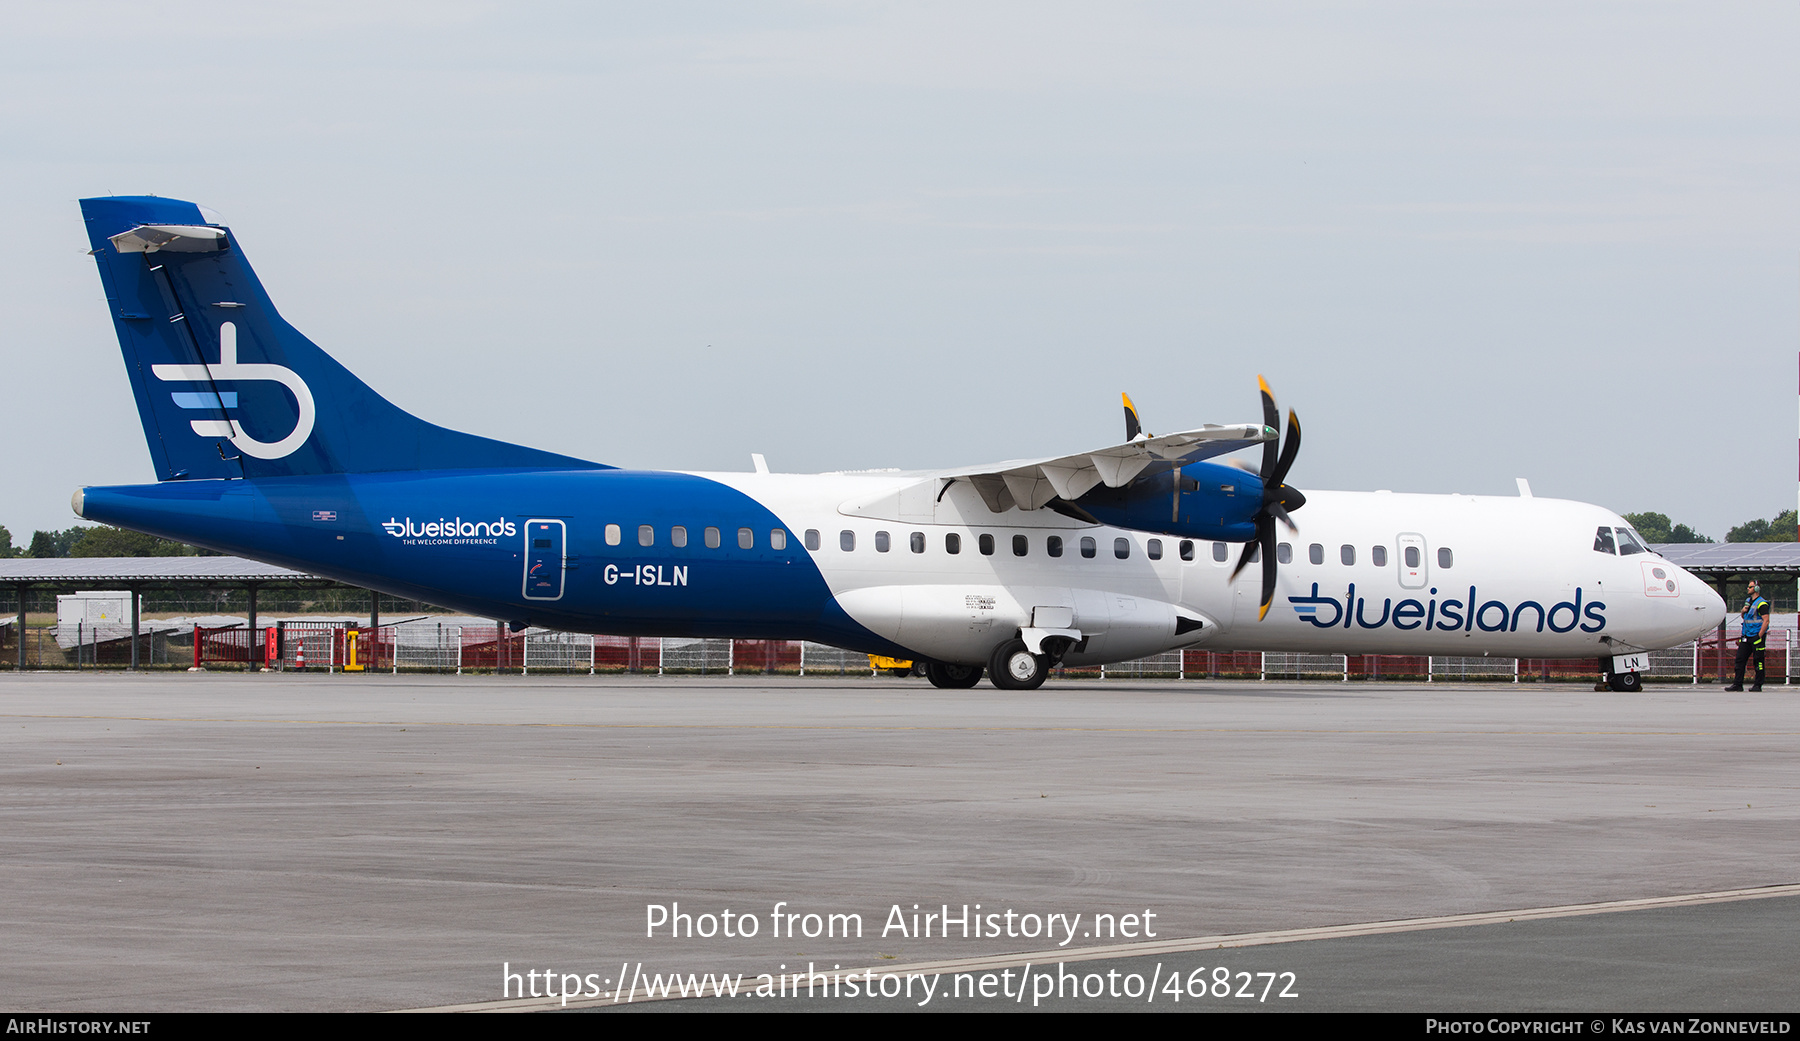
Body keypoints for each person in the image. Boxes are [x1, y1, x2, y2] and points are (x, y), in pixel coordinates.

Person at [1725, 579, 1771, 691]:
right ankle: (1738, 684)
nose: (1748, 589)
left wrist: (1759, 636)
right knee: (1740, 660)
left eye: (1750, 587)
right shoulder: (1748, 602)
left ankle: (1758, 685)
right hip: (1746, 635)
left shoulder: (1762, 604)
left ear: (1756, 589)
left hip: (1756, 636)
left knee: (1758, 661)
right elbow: (1745, 618)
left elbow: (1766, 621)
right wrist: (1742, 611)